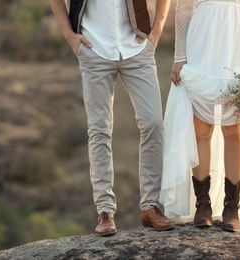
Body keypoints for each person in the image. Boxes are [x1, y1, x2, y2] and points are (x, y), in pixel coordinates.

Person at [50, 0, 175, 236]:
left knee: (153, 123)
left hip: (137, 49)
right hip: (94, 49)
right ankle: (105, 211)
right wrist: (69, 36)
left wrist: (156, 30)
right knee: (99, 130)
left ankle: (150, 207)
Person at [160, 0, 240, 232]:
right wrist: (179, 56)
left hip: (239, 43)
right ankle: (203, 205)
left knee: (233, 129)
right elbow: (183, 8)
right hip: (201, 43)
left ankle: (231, 207)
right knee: (201, 129)